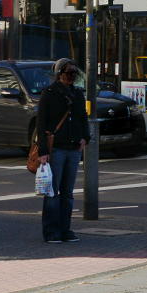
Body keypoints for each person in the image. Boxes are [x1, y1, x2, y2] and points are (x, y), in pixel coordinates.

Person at [37, 58, 89, 243]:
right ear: (59, 74)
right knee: (53, 191)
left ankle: (65, 229)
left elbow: (82, 117)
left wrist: (85, 137)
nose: (72, 77)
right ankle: (51, 231)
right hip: (56, 149)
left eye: (75, 74)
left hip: (74, 148)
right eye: (69, 73)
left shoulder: (77, 93)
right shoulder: (49, 94)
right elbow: (41, 123)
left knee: (67, 193)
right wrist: (44, 151)